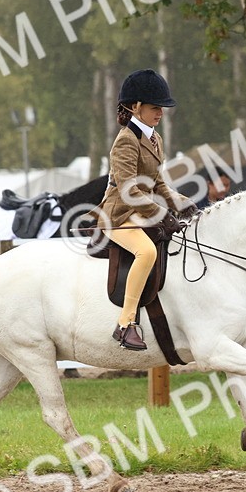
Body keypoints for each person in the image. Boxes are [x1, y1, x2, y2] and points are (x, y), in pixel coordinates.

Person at [98, 69, 195, 351]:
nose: (160, 113)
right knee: (147, 251)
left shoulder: (155, 139)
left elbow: (158, 183)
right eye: (155, 108)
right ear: (135, 106)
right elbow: (129, 190)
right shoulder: (125, 140)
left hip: (140, 209)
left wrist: (182, 203)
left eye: (162, 108)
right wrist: (161, 214)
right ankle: (125, 323)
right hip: (118, 213)